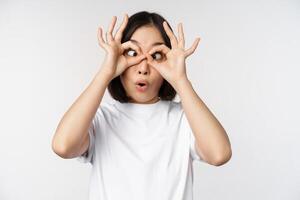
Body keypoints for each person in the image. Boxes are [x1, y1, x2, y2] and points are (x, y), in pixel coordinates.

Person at [52, 11, 232, 200]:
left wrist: (180, 80)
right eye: (132, 53)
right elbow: (63, 146)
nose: (143, 68)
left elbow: (219, 154)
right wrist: (106, 72)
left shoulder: (184, 119)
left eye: (156, 55)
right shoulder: (102, 118)